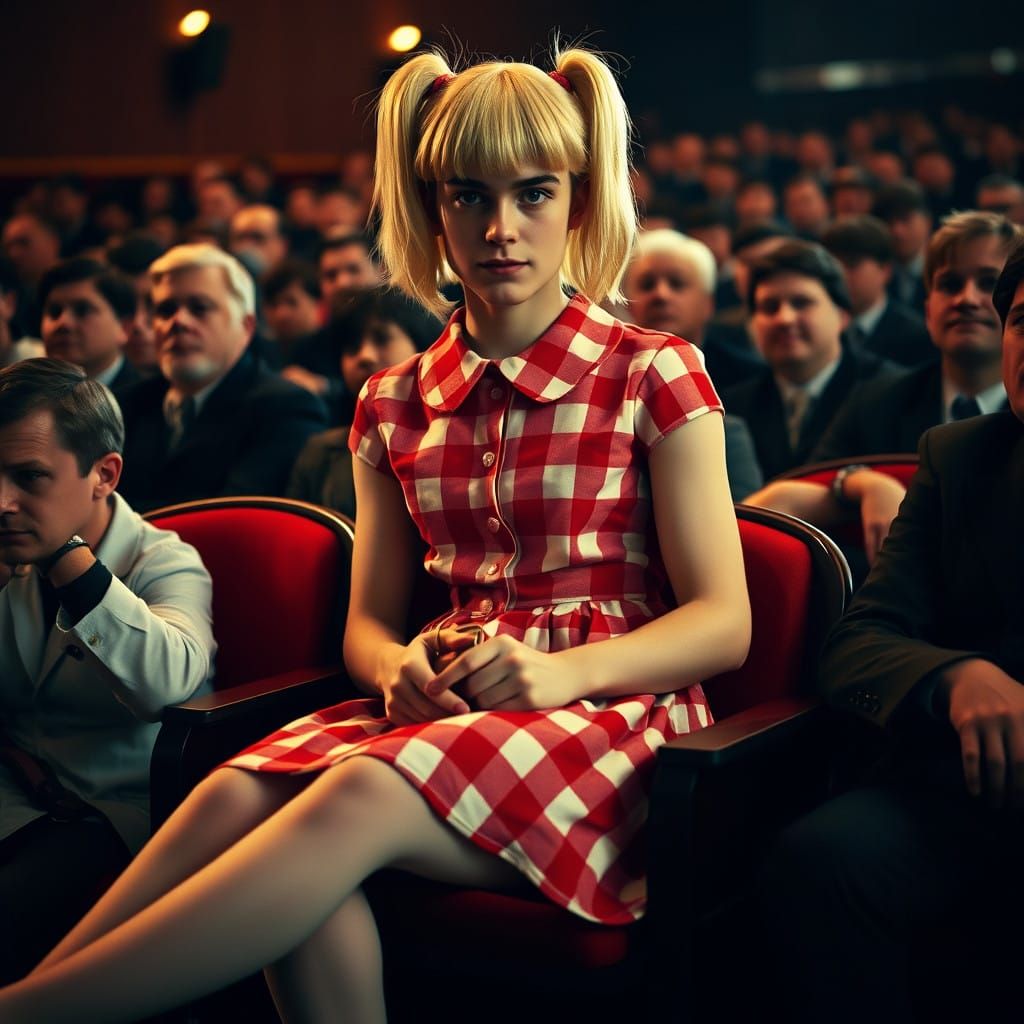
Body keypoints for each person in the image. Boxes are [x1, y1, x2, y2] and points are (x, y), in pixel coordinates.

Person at [0, 44, 750, 1022]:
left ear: (578, 200)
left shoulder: (654, 369)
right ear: (431, 207)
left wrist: (563, 672)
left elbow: (724, 620)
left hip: (616, 724)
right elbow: (367, 627)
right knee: (237, 795)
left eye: (533, 194)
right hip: (447, 709)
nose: (500, 228)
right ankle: (28, 991)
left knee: (350, 799)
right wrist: (396, 665)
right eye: (467, 196)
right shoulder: (391, 400)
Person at [758, 238, 1024, 1023]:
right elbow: (860, 640)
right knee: (818, 860)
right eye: (1023, 320)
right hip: (968, 789)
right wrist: (953, 677)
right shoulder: (960, 454)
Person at [0, 358, 215, 983]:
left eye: (29, 477)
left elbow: (166, 684)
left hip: (110, 811)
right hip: (14, 794)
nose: (2, 501)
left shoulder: (164, 561)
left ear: (104, 475)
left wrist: (70, 560)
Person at [116, 243, 328, 512]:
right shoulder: (125, 404)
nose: (177, 321)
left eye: (199, 307)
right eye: (166, 310)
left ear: (246, 326)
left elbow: (230, 519)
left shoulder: (288, 408)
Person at [721, 239, 895, 480]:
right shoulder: (731, 408)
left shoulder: (891, 394)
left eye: (801, 303)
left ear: (843, 316)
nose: (784, 319)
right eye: (770, 307)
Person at [287, 286, 440, 517]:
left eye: (382, 339)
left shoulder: (450, 439)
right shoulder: (320, 454)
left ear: (421, 345)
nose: (364, 356)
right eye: (352, 347)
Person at [38, 258, 141, 396]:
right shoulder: (27, 400)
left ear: (124, 327)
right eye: (55, 312)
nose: (63, 322)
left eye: (82, 310)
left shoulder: (151, 404)